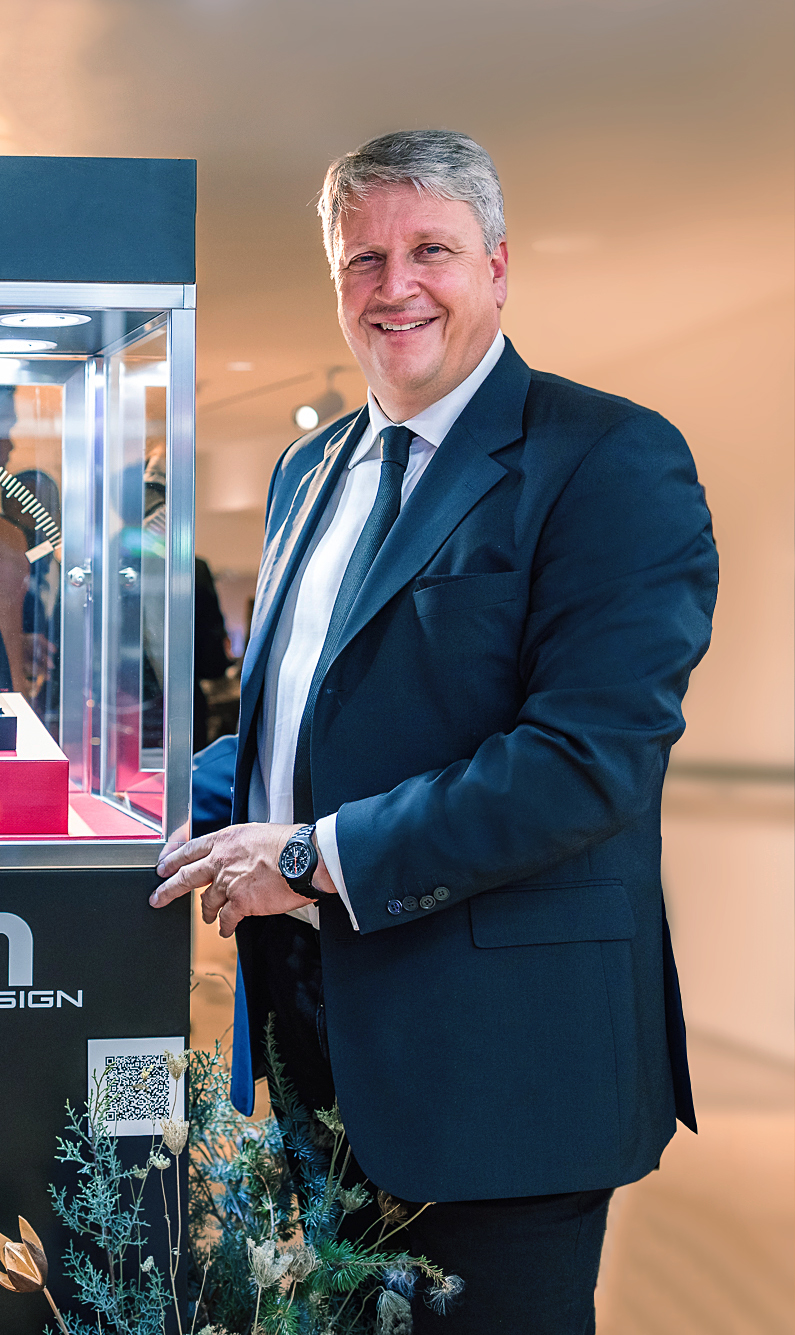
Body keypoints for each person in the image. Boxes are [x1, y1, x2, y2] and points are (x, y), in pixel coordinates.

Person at [152, 130, 716, 1331]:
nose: (394, 285)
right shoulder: (311, 470)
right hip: (313, 1039)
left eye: (430, 251)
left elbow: (583, 762)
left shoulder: (606, 458)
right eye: (363, 258)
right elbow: (300, 728)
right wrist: (123, 798)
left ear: (497, 266)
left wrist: (306, 856)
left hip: (502, 1066)